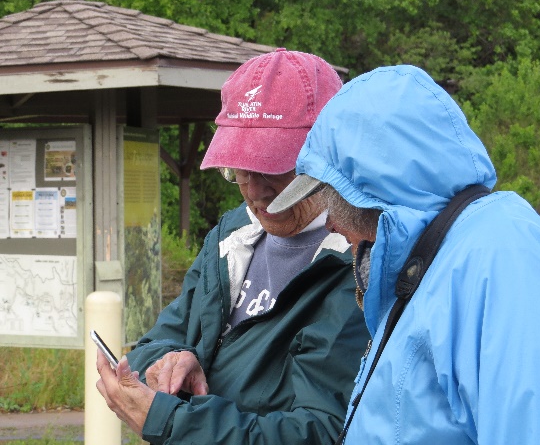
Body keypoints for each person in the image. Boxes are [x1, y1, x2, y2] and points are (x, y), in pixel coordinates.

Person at [267, 64, 540, 444]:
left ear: (365, 192)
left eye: (329, 201)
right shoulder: (436, 261)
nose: (329, 225)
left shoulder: (504, 258)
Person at [95, 49, 369, 444]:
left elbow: (320, 432)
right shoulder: (233, 234)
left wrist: (175, 424)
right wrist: (166, 363)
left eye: (272, 167)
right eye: (238, 168)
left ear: (324, 156)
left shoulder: (356, 266)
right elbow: (161, 337)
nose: (254, 191)